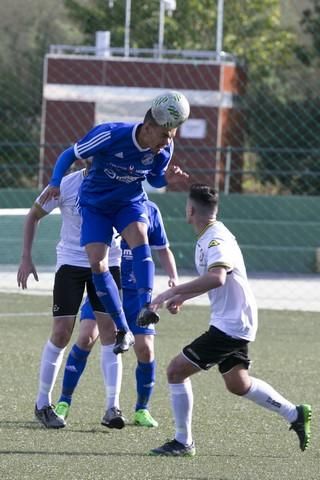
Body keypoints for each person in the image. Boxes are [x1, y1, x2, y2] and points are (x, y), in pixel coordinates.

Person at [149, 183, 312, 457]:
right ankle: (294, 413)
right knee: (238, 383)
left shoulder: (215, 239)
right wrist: (183, 298)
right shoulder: (209, 236)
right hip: (236, 320)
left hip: (231, 324)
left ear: (190, 210)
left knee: (176, 371)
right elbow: (217, 280)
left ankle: (183, 441)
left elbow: (217, 277)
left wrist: (173, 291)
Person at [38, 90, 190, 354]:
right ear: (149, 126)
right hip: (96, 204)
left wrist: (168, 180)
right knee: (98, 263)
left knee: (140, 237)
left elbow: (153, 179)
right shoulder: (110, 134)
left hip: (128, 202)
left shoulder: (164, 148)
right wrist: (55, 182)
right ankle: (123, 330)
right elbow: (68, 154)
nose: (167, 142)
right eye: (165, 135)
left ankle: (146, 307)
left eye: (171, 136)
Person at [55, 199, 179, 429]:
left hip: (136, 296)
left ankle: (142, 409)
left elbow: (163, 249)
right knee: (85, 338)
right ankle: (63, 402)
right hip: (106, 290)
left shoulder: (151, 210)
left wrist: (173, 277)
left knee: (145, 350)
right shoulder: (105, 204)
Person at [17, 167, 123, 429]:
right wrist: (26, 257)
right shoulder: (65, 184)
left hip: (108, 265)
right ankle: (42, 404)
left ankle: (112, 407)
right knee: (62, 332)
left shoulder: (122, 182)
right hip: (71, 264)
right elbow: (33, 215)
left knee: (110, 333)